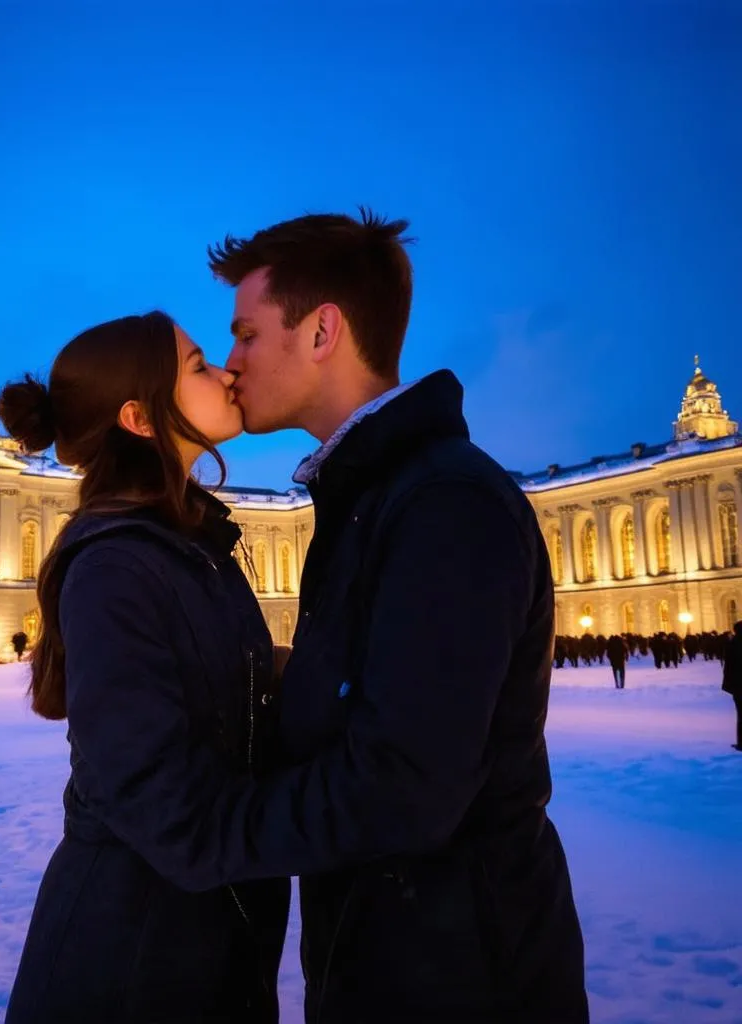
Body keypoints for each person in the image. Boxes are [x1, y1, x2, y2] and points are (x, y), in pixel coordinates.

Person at [200, 210, 587, 1021]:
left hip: (460, 981)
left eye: (244, 334)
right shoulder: (372, 500)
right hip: (401, 959)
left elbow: (402, 787)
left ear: (322, 332)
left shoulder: (443, 504)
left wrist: (209, 826)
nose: (231, 363)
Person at [0, 311, 290, 1022]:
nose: (224, 370)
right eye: (197, 366)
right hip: (129, 967)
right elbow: (166, 808)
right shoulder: (117, 565)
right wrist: (346, 811)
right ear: (139, 416)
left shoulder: (181, 543)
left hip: (190, 948)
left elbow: (214, 693)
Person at [723, 620, 742, 751]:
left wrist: (728, 685)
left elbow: (728, 667)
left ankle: (741, 743)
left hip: (739, 685)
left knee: (741, 715)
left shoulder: (733, 644)